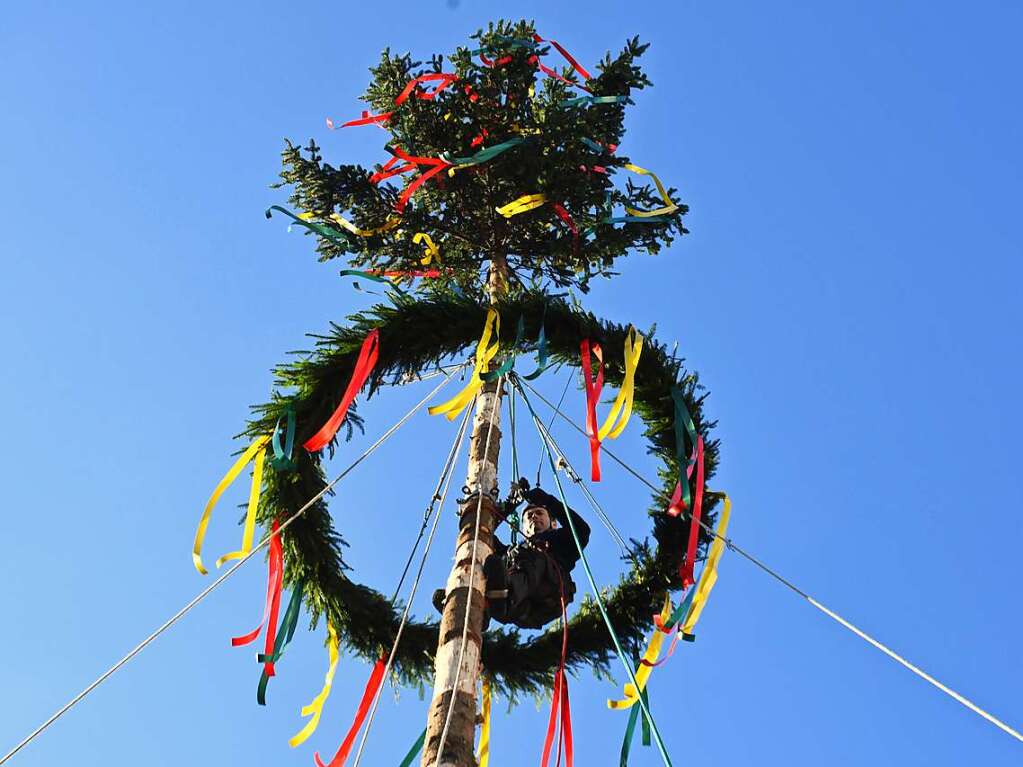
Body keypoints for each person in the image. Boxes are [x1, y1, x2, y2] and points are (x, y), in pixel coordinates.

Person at [483, 484, 591, 629]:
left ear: (553, 523)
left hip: (548, 597)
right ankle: (475, 605)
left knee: (533, 553)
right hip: (520, 610)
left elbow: (582, 530)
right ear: (523, 528)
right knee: (490, 557)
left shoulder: (561, 541)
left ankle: (502, 597)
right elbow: (484, 531)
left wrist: (547, 500)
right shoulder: (514, 552)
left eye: (539, 513)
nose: (534, 516)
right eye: (529, 516)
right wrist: (509, 505)